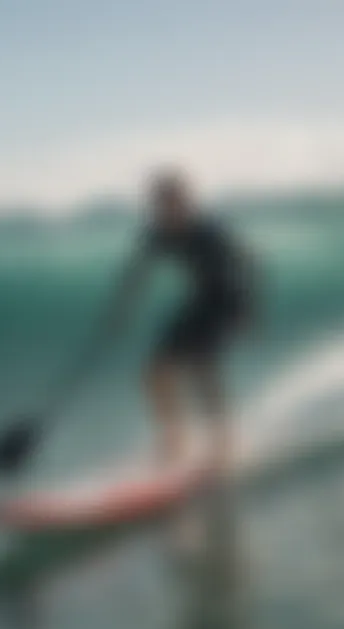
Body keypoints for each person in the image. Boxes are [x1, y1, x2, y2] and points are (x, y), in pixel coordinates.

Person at [99, 169, 261, 474]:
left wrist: (250, 312)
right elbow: (136, 274)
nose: (167, 209)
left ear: (186, 201)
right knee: (153, 373)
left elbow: (250, 263)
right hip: (200, 301)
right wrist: (120, 311)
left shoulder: (209, 231)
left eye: (174, 202)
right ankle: (175, 440)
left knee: (202, 367)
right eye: (161, 204)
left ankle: (224, 441)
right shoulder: (157, 233)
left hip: (229, 301)